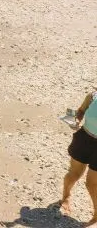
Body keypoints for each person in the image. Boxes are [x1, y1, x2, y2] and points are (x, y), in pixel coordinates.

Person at [61, 91, 97, 223]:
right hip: (84, 139)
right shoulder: (93, 96)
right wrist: (75, 120)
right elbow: (80, 111)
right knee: (74, 174)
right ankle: (66, 197)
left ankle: (96, 215)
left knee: (92, 183)